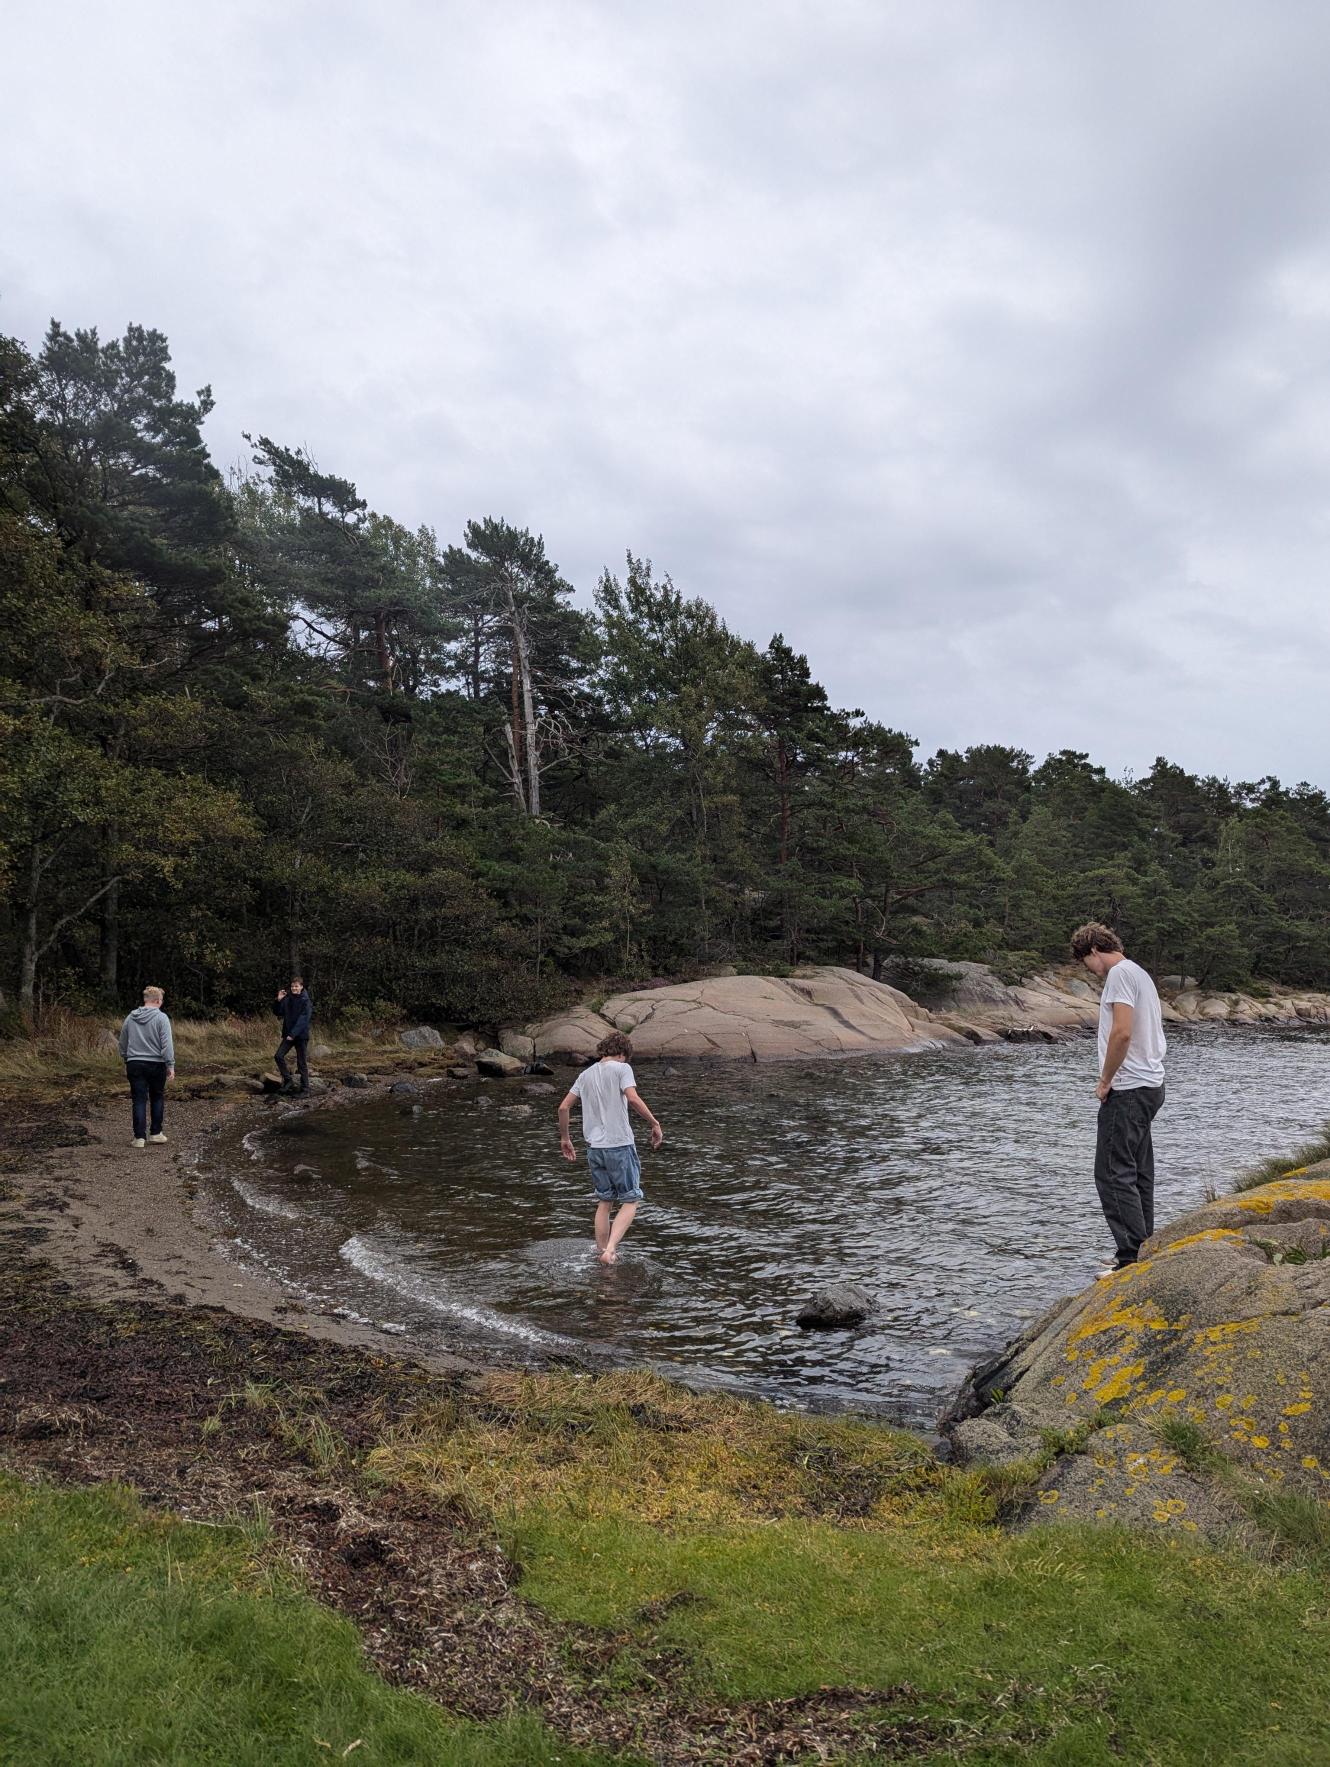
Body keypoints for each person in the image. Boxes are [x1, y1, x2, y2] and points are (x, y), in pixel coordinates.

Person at [1071, 922, 1167, 1274]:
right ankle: (1144, 1246)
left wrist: (1105, 1080)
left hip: (1128, 1088)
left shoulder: (1119, 975)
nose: (1090, 971)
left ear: (1094, 951)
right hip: (1150, 1085)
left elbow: (1123, 1032)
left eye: (1086, 963)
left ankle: (1130, 1257)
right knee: (1139, 1171)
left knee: (1112, 1172)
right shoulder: (1140, 973)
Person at [557, 1031, 663, 1264]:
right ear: (623, 1054)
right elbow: (633, 1098)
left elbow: (563, 1108)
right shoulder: (622, 1069)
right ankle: (610, 1250)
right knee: (631, 1199)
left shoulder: (585, 1075)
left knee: (605, 1201)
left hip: (594, 1148)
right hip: (619, 1144)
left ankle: (600, 1250)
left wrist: (565, 1138)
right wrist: (654, 1123)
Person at [117, 985, 175, 1149]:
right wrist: (170, 1064)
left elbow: (123, 1041)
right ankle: (156, 1133)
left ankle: (139, 1138)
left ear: (145, 1000)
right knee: (157, 1097)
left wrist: (126, 1058)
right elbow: (167, 1045)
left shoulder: (131, 1017)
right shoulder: (161, 1018)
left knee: (139, 1099)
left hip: (134, 1063)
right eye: (161, 1000)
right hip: (156, 1063)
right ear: (157, 1000)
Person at [272, 976, 313, 1094]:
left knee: (301, 1063)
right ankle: (288, 1080)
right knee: (278, 1056)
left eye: (296, 986)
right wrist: (278, 1000)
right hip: (289, 1034)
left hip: (300, 1036)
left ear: (301, 987)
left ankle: (306, 1090)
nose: (294, 988)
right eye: (292, 986)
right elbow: (278, 1012)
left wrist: (293, 1034)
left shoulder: (306, 1000)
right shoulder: (288, 998)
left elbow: (304, 1019)